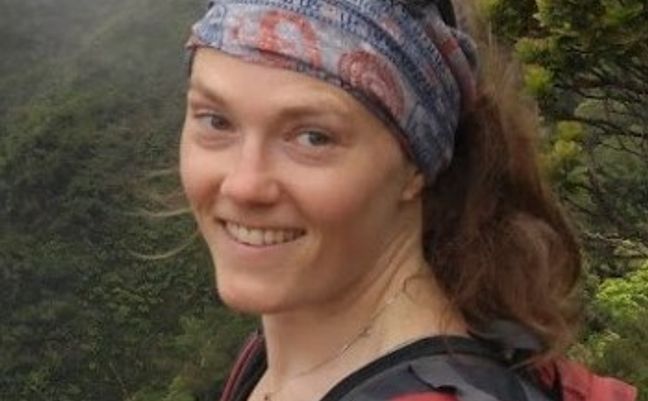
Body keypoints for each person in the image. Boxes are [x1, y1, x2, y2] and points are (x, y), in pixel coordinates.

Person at [179, 1, 637, 401]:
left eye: (313, 137)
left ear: (415, 164)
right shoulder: (281, 357)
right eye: (216, 121)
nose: (243, 185)